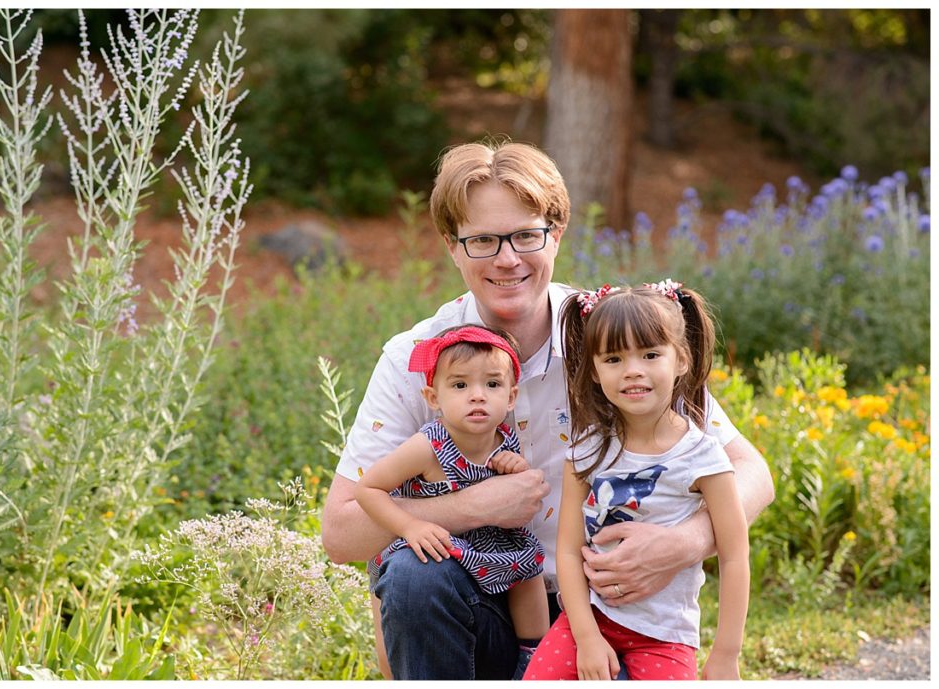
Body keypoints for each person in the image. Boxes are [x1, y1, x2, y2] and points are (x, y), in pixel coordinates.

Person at [320, 139, 774, 681]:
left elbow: (752, 473)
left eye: (525, 236)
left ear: (555, 234)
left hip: (608, 611)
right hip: (480, 602)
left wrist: (686, 541)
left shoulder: (615, 340)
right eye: (483, 240)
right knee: (415, 577)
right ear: (452, 246)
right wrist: (471, 506)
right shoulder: (415, 359)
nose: (507, 259)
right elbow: (341, 533)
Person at [523, 280, 749, 680]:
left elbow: (734, 557)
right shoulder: (586, 451)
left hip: (664, 635)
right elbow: (570, 552)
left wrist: (727, 653)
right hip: (589, 619)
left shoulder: (704, 457)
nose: (633, 371)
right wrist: (588, 638)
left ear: (680, 359)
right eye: (613, 359)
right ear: (593, 370)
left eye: (649, 354)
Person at [355, 324, 550, 679]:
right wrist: (410, 525)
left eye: (492, 384)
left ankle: (532, 652)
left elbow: (517, 489)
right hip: (443, 551)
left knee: (529, 565)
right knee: (414, 575)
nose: (477, 396)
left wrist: (515, 467)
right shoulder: (428, 445)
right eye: (460, 385)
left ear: (510, 397)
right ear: (433, 398)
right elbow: (368, 489)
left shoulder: (505, 439)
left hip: (491, 551)